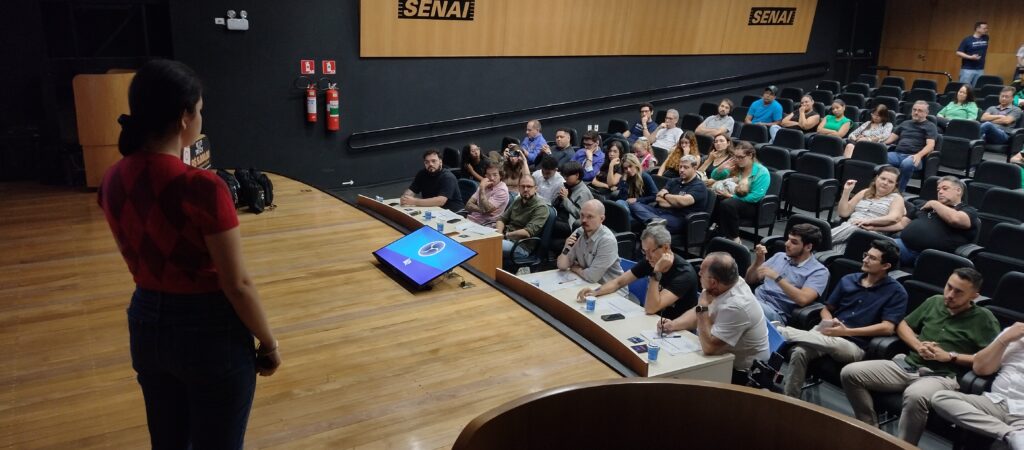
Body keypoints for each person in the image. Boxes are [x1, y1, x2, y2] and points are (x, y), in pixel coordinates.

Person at [97, 59, 280, 448]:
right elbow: (237, 284)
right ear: (184, 117)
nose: (200, 117)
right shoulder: (202, 187)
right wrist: (269, 343)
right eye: (199, 109)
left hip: (146, 323)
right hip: (208, 333)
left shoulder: (112, 178)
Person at [840, 268, 1000, 445]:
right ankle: (870, 430)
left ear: (974, 296)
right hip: (909, 365)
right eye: (949, 287)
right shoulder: (934, 301)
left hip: (942, 376)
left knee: (915, 396)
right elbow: (903, 325)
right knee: (850, 373)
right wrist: (917, 345)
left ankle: (903, 447)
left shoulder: (984, 319)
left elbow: (990, 360)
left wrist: (950, 356)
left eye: (958, 292)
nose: (950, 295)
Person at [777, 239, 908, 398]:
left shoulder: (896, 292)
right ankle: (789, 399)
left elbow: (887, 328)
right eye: (866, 255)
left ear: (886, 266)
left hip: (854, 344)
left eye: (872, 258)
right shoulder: (849, 279)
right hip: (829, 333)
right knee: (799, 352)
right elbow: (826, 309)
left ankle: (783, 332)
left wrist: (846, 332)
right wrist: (830, 321)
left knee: (833, 342)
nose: (865, 260)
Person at [657, 252, 771, 384]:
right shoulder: (724, 283)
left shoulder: (737, 306)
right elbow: (699, 312)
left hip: (743, 375)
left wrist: (703, 308)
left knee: (674, 377)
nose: (699, 273)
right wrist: (673, 325)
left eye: (701, 272)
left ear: (713, 282)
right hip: (723, 357)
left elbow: (709, 348)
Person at [931, 321, 1024, 449]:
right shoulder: (1015, 332)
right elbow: (981, 369)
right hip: (996, 402)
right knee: (941, 398)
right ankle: (1010, 434)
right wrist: (1005, 339)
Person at [577, 223, 699, 318]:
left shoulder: (685, 274)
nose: (647, 257)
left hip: (677, 330)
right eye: (644, 251)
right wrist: (595, 292)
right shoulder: (651, 261)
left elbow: (651, 308)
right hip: (652, 321)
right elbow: (618, 282)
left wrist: (656, 273)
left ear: (666, 247)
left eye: (651, 251)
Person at [746, 223, 830, 325]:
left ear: (808, 247)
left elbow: (803, 299)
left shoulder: (819, 271)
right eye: (788, 239)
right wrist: (758, 261)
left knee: (741, 305)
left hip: (775, 312)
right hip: (754, 299)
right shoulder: (779, 256)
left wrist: (777, 278)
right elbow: (750, 280)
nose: (787, 244)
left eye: (794, 242)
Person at [891, 176, 980, 267]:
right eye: (938, 189)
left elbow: (955, 219)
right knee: (883, 246)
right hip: (904, 246)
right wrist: (880, 227)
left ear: (958, 190)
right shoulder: (925, 206)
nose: (940, 192)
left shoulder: (968, 210)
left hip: (933, 256)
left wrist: (934, 203)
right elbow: (902, 224)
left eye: (945, 188)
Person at [557, 199, 627, 297]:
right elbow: (562, 266)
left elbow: (592, 276)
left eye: (590, 217)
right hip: (588, 285)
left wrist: (576, 269)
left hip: (612, 293)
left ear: (601, 219)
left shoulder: (607, 240)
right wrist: (566, 248)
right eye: (582, 215)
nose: (584, 220)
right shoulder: (579, 232)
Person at [831, 166, 905, 253]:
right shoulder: (865, 192)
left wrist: (869, 221)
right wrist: (846, 191)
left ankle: (821, 238)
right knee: (834, 253)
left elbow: (894, 217)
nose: (885, 183)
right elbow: (843, 213)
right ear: (876, 178)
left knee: (855, 229)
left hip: (871, 232)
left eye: (890, 181)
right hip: (849, 228)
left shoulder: (896, 198)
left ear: (895, 184)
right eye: (883, 178)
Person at [709, 141, 771, 243]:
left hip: (752, 205)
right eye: (735, 157)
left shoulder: (762, 172)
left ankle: (735, 238)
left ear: (750, 155)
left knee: (728, 203)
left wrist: (731, 196)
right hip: (732, 199)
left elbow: (756, 196)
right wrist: (720, 168)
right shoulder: (736, 166)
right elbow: (715, 177)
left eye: (741, 157)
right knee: (713, 197)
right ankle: (714, 231)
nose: (737, 160)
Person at [629, 155, 707, 233]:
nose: (681, 170)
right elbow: (658, 198)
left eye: (686, 167)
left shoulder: (699, 186)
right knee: (633, 205)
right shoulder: (674, 181)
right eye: (680, 167)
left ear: (694, 168)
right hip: (661, 212)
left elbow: (683, 201)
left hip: (679, 218)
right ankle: (654, 222)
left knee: (643, 221)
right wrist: (676, 204)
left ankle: (652, 222)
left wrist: (665, 195)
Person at [884, 101, 938, 192]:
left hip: (914, 156)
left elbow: (930, 145)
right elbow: (889, 139)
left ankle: (899, 191)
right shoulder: (905, 123)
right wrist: (876, 142)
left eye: (920, 110)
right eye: (914, 110)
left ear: (926, 113)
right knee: (879, 157)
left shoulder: (930, 126)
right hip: (897, 154)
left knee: (907, 164)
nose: (916, 112)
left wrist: (919, 155)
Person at [496, 174, 550, 267]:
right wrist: (499, 234)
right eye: (523, 186)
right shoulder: (518, 200)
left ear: (535, 189)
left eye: (529, 186)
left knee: (488, 245)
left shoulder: (541, 207)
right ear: (518, 188)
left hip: (521, 246)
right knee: (482, 240)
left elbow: (527, 232)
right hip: (506, 239)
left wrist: (506, 235)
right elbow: (502, 219)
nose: (525, 189)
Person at [551, 161, 594, 240]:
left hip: (570, 221)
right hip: (560, 215)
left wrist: (565, 199)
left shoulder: (584, 192)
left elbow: (580, 214)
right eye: (564, 175)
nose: (565, 178)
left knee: (549, 222)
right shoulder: (568, 185)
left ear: (577, 175)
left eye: (567, 176)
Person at [465, 161, 510, 227]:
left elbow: (487, 209)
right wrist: (481, 210)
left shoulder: (502, 190)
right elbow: (468, 205)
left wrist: (482, 188)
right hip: (471, 220)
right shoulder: (484, 184)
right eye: (488, 175)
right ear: (485, 175)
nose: (491, 178)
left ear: (500, 176)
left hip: (486, 225)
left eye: (495, 175)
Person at [956, 21, 990, 87]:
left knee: (977, 89)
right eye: (984, 28)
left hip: (980, 69)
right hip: (968, 69)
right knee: (964, 88)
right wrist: (970, 57)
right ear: (977, 28)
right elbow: (958, 52)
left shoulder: (986, 38)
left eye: (987, 28)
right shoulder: (967, 40)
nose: (986, 30)